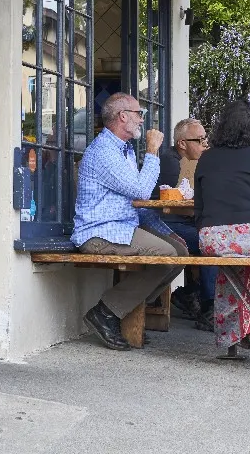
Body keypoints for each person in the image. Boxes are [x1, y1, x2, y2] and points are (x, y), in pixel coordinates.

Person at [72, 93, 188, 351]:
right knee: (167, 255)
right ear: (122, 116)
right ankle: (105, 312)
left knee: (179, 251)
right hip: (99, 232)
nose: (141, 120)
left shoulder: (121, 151)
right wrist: (152, 152)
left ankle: (124, 312)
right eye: (138, 114)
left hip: (121, 227)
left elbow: (137, 205)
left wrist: (167, 231)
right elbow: (142, 192)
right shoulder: (104, 151)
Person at [194, 101, 250, 356]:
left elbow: (198, 207)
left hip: (211, 239)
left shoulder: (206, 157)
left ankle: (237, 334)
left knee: (231, 271)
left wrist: (207, 231)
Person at [157, 119, 216, 329]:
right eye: (200, 140)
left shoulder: (183, 161)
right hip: (163, 224)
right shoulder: (172, 162)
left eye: (205, 139)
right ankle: (209, 306)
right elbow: (169, 203)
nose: (205, 145)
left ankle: (188, 294)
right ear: (182, 143)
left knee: (207, 237)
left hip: (177, 221)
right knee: (209, 243)